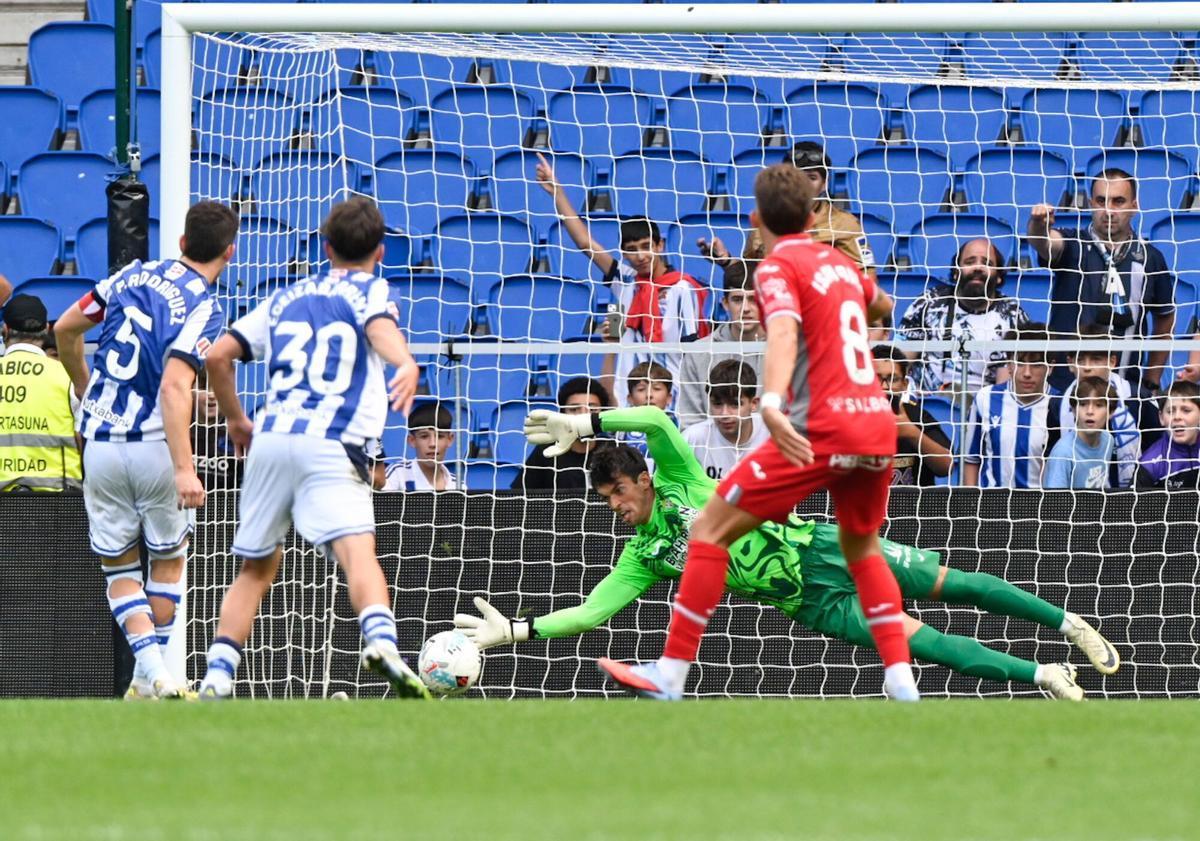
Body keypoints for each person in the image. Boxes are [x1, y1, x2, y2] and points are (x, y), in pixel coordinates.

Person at [480, 405, 1116, 699]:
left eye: (618, 491)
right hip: (810, 603)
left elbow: (655, 422)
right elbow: (591, 613)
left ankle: (1069, 625)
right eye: (606, 500)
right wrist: (515, 631)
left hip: (824, 549)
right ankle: (1042, 675)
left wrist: (590, 424)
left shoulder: (676, 476)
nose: (616, 505)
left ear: (642, 480)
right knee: (922, 642)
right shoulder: (643, 557)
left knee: (956, 584)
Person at [590, 163, 920, 702]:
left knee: (708, 530)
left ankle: (670, 674)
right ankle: (902, 680)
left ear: (754, 219)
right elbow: (883, 303)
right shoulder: (839, 264)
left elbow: (783, 332)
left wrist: (769, 401)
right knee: (862, 547)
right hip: (876, 423)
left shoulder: (775, 266)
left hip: (824, 425)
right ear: (812, 217)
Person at [198, 197, 428, 700]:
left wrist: (236, 419)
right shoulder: (371, 289)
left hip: (272, 437)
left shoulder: (287, 295)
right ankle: (383, 645)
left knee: (257, 567)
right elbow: (379, 328)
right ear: (381, 251)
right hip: (333, 441)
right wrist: (406, 363)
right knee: (357, 553)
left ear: (325, 248)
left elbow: (217, 356)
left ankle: (216, 676)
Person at [53, 201, 235, 700]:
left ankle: (144, 680)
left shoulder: (129, 276)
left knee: (119, 569)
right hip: (156, 444)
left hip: (101, 445)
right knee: (168, 563)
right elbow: (174, 386)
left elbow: (65, 329)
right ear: (229, 252)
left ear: (181, 242)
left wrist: (85, 385)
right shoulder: (204, 307)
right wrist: (185, 468)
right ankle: (155, 672)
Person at [535, 152, 708, 390]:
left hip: (672, 394)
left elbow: (693, 347)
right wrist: (558, 193)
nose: (641, 256)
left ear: (660, 245)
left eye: (646, 246)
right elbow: (585, 243)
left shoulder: (682, 288)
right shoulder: (626, 281)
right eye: (632, 250)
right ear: (624, 253)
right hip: (627, 395)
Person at [1028, 169, 1176, 393]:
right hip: (1064, 387)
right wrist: (1038, 224)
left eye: (1118, 201)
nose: (1108, 210)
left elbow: (1165, 318)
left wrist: (1152, 380)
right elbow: (1044, 242)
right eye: (1101, 201)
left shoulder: (1150, 258)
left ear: (1134, 206)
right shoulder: (1073, 244)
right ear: (1090, 204)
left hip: (1124, 388)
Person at [700, 140, 876, 283]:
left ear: (824, 184)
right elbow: (752, 278)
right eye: (796, 177)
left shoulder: (845, 225)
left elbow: (868, 282)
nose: (803, 185)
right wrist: (727, 261)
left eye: (812, 178)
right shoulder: (764, 224)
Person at [896, 238, 1030, 398]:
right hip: (925, 406)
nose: (978, 267)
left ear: (999, 276)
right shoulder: (929, 303)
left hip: (984, 408)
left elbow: (1005, 392)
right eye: (969, 262)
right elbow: (897, 364)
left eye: (987, 263)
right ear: (955, 272)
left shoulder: (1012, 315)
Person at [963, 326, 1063, 489]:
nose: (1027, 373)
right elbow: (971, 459)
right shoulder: (985, 398)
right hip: (993, 501)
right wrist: (971, 502)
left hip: (1041, 502)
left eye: (1036, 364)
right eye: (1020, 363)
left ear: (1050, 367)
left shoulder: (1061, 405)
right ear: (1009, 364)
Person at [0, 294, 82, 492]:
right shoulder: (68, 376)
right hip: (59, 502)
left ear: (5, 330)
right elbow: (84, 439)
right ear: (46, 329)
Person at [675, 259, 765, 430]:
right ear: (725, 303)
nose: (746, 308)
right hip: (710, 445)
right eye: (737, 299)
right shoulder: (698, 353)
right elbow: (690, 423)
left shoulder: (790, 349)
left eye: (753, 299)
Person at [1059, 325, 1145, 488]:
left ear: (1112, 362)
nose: (1087, 367)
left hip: (1128, 495)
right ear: (1070, 363)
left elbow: (1154, 446)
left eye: (1096, 359)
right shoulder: (1058, 404)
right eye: (1080, 360)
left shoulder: (1136, 398)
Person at [871, 344, 952, 486]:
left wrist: (912, 432)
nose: (884, 386)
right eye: (876, 379)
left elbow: (947, 467)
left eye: (892, 379)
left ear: (905, 384)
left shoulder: (917, 416)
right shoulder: (847, 417)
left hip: (913, 500)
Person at [512, 377, 612, 492]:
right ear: (562, 414)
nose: (583, 416)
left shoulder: (614, 450)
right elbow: (518, 496)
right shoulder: (547, 451)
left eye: (592, 410)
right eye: (574, 410)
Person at [681, 359, 769, 481]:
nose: (724, 414)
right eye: (717, 404)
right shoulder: (692, 438)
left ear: (754, 404)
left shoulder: (773, 435)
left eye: (735, 404)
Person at [1044, 377, 1116, 490]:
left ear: (1111, 412)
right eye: (1083, 404)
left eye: (1098, 405)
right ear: (1073, 410)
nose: (1090, 411)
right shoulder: (1063, 453)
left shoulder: (1108, 440)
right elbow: (1054, 500)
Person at [1136, 381, 1200, 489]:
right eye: (1170, 411)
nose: (1177, 417)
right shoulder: (1150, 462)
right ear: (1161, 418)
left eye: (1186, 410)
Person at [381, 401, 458, 491]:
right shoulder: (397, 474)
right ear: (412, 440)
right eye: (424, 436)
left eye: (439, 436)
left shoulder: (457, 485)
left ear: (450, 439)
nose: (432, 444)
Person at [618, 360, 674, 458]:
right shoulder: (619, 430)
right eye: (641, 389)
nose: (649, 395)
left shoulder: (678, 427)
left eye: (656, 389)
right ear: (630, 398)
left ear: (669, 398)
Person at [193, 386, 242, 491]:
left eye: (216, 387)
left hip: (226, 500)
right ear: (191, 391)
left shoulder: (237, 434)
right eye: (204, 387)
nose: (211, 395)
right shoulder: (181, 430)